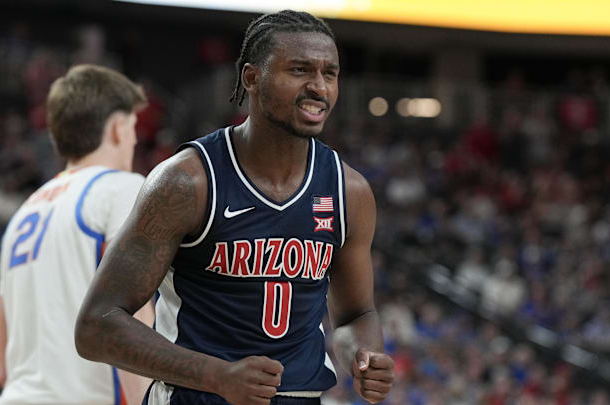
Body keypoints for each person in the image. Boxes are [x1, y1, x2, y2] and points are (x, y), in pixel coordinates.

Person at [75, 10, 395, 405]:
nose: (318, 87)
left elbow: (355, 316)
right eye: (299, 70)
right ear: (252, 78)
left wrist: (363, 358)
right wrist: (217, 375)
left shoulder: (350, 191)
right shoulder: (187, 182)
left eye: (330, 74)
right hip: (197, 397)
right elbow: (96, 326)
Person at [0, 64, 154, 405]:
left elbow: (4, 366)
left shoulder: (24, 212)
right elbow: (132, 320)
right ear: (114, 128)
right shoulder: (122, 189)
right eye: (131, 126)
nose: (135, 138)